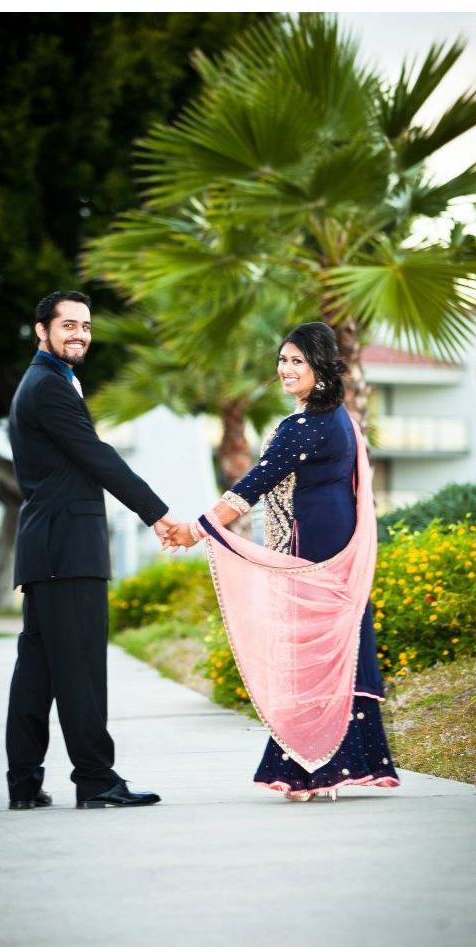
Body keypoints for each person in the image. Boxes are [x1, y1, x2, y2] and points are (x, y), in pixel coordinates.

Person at [163, 322, 400, 801]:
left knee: (308, 654)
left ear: (321, 367)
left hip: (314, 550)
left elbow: (251, 486)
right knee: (335, 648)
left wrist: (195, 530)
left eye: (297, 361)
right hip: (334, 544)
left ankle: (313, 771)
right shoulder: (339, 420)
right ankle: (340, 765)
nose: (286, 369)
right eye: (283, 360)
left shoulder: (306, 427)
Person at [6, 290, 177, 810]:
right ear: (42, 330)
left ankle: (24, 784)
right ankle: (97, 781)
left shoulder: (45, 382)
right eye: (68, 325)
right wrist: (158, 513)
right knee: (80, 669)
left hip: (48, 550)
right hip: (67, 550)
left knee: (37, 674)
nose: (79, 334)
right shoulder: (48, 387)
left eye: (85, 326)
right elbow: (97, 457)